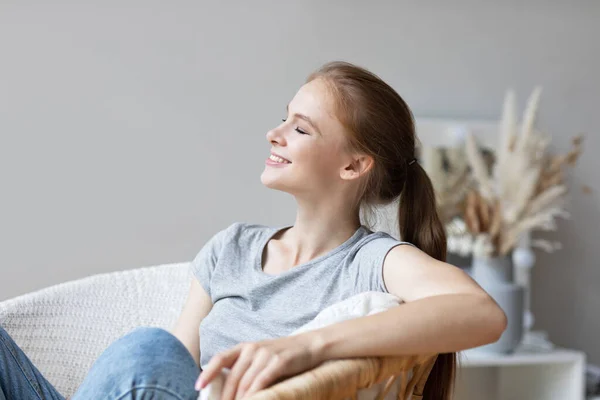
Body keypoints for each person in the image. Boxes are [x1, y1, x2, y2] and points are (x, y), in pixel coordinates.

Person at [0, 61, 507, 400]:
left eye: (301, 128)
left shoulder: (371, 261)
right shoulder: (232, 247)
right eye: (282, 119)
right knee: (153, 350)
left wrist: (307, 347)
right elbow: (177, 367)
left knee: (146, 349)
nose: (274, 133)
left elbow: (481, 314)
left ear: (354, 166)